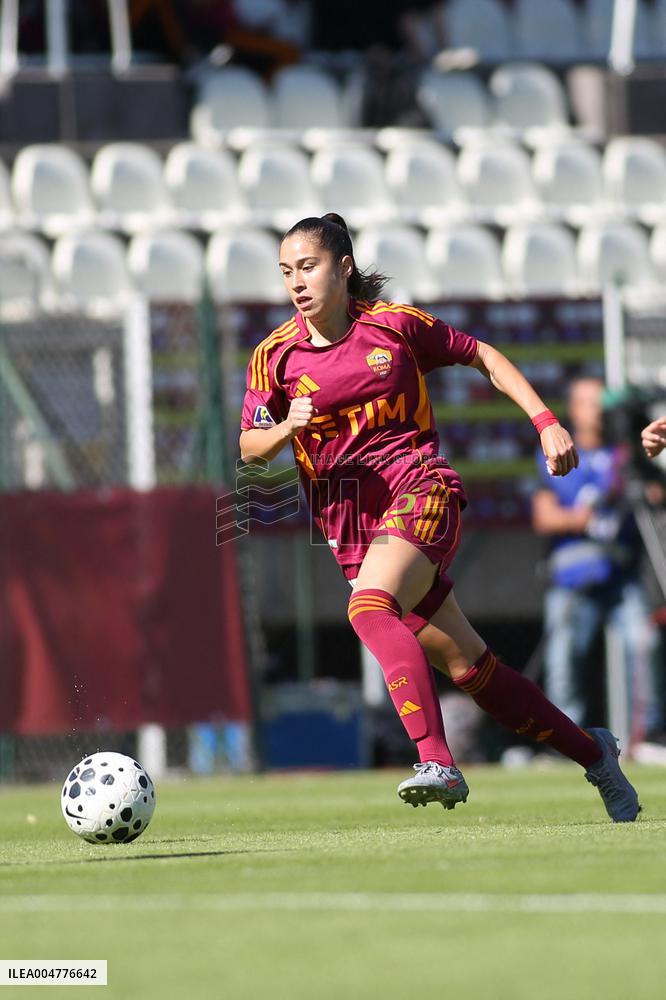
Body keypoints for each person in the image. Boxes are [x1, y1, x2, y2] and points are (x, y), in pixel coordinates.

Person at [239, 213, 640, 822]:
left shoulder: (395, 328)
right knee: (471, 669)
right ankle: (595, 753)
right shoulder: (275, 357)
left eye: (309, 266)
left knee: (370, 609)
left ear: (344, 268)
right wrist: (283, 430)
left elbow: (482, 355)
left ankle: (436, 761)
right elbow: (249, 445)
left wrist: (545, 421)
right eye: (286, 271)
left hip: (421, 490)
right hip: (351, 528)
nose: (297, 281)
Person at [532, 378, 662, 746]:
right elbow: (544, 516)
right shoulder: (557, 454)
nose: (598, 410)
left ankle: (647, 734)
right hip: (572, 580)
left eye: (601, 401)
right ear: (573, 410)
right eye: (589, 402)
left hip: (621, 577)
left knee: (644, 641)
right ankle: (566, 738)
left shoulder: (625, 455)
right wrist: (587, 514)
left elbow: (653, 492)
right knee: (563, 657)